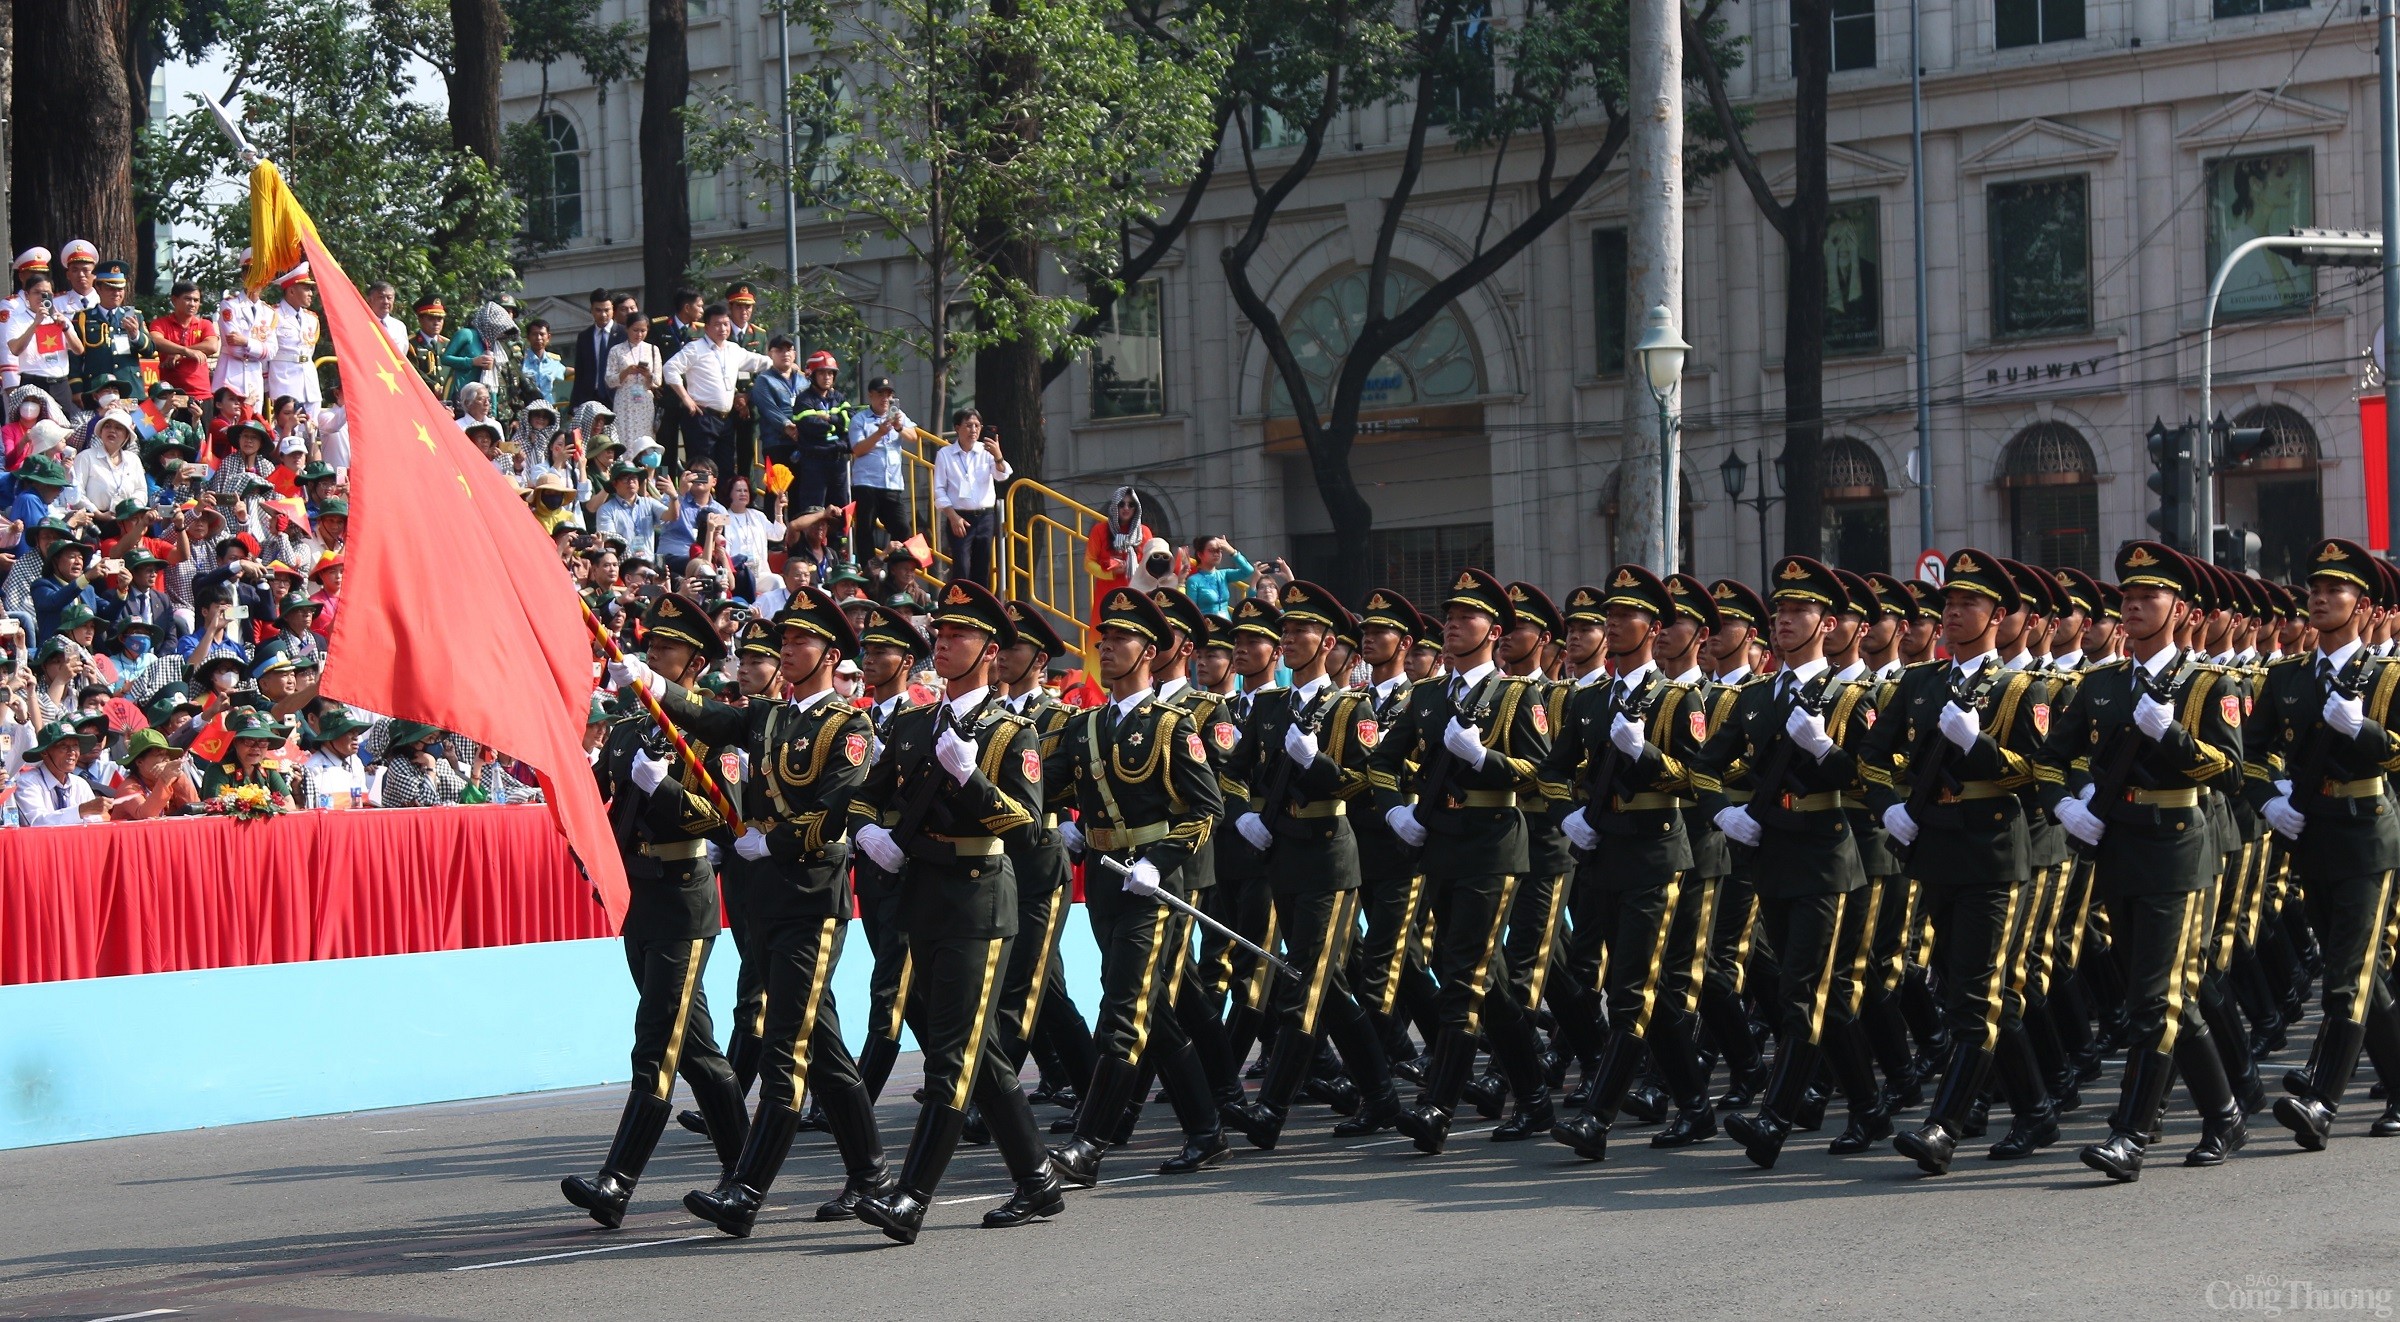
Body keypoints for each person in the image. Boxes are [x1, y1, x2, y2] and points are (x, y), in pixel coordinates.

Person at [627, 590, 890, 1238]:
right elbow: (711, 717)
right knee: (822, 1047)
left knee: (786, 1046)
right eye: (786, 640)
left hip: (811, 898)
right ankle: (872, 1175)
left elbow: (835, 808)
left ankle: (744, 1190)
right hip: (769, 899)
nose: (789, 650)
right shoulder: (771, 717)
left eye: (801, 641)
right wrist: (654, 682)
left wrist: (770, 840)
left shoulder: (848, 727)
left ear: (830, 654)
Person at [843, 578, 1058, 1243]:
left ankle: (910, 1197)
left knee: (951, 1056)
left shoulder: (1011, 731)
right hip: (919, 895)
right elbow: (863, 797)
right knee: (975, 1050)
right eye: (941, 631)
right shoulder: (912, 722)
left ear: (990, 650)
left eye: (960, 633)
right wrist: (868, 833)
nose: (944, 641)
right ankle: (1037, 1178)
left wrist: (973, 778)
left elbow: (1025, 831)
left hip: (978, 898)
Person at [2040, 541, 2246, 1182]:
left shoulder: (2211, 684)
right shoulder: (2100, 686)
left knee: (2153, 1000)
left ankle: (2130, 1134)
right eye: (2126, 596)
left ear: (2177, 608)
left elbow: (2231, 770)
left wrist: (2174, 736)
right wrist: (2064, 806)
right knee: (2158, 998)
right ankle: (2225, 1112)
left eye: (2147, 595)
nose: (2131, 605)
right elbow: (2053, 759)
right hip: (2117, 844)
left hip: (2179, 846)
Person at [562, 592, 750, 1228]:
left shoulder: (712, 727)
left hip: (683, 893)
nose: (652, 653)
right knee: (696, 1049)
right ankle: (744, 1170)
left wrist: (662, 786)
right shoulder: (624, 729)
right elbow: (610, 811)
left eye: (668, 648)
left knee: (657, 1041)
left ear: (695, 663)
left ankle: (617, 1181)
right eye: (654, 643)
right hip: (640, 895)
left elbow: (726, 819)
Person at [1043, 586, 1227, 1185]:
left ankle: (1089, 1142)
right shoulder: (1086, 725)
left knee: (1122, 1010)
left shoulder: (1174, 726)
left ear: (1151, 649)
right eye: (1105, 639)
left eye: (1122, 639)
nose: (1109, 647)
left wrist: (1159, 861)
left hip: (1151, 888)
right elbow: (1053, 789)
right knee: (1156, 1010)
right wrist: (1071, 828)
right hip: (1102, 882)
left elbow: (1206, 810)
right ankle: (1206, 1128)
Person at [1365, 569, 1552, 1154]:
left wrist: (1485, 758)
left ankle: (1437, 1105)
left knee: (1463, 974)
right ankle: (1536, 1095)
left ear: (1493, 631)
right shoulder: (1427, 695)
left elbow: (1542, 774)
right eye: (1447, 616)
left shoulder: (1520, 695)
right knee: (1481, 978)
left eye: (1465, 617)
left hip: (1494, 844)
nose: (1449, 625)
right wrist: (1396, 811)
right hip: (1439, 843)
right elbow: (1380, 765)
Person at [1537, 568, 1716, 1161]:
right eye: (1608, 615)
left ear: (1655, 627)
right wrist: (1570, 817)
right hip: (1601, 852)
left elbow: (1696, 779)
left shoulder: (1678, 699)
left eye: (1627, 615)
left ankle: (1598, 1117)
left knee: (1630, 989)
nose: (1613, 624)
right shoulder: (1588, 700)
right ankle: (1695, 1105)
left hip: (1656, 854)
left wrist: (1646, 753)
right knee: (1651, 993)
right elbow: (1554, 772)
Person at [1219, 580, 1404, 1149]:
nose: (1291, 638)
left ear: (1328, 642)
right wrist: (1245, 814)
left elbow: (1364, 782)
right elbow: (1234, 769)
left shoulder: (1352, 706)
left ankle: (1269, 1111)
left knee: (1302, 982)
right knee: (1333, 985)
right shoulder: (1271, 706)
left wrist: (1315, 762)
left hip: (1328, 855)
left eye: (1302, 630)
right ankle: (1380, 1096)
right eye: (1288, 629)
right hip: (1281, 855)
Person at [2238, 538, 2400, 1151]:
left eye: (2337, 590)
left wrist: (2364, 729)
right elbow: (2251, 755)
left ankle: (2321, 1099)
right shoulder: (2286, 677)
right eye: (2316, 589)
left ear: (2363, 606)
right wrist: (2271, 799)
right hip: (2311, 831)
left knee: (2347, 972)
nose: (2323, 598)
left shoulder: (2388, 675)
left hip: (2368, 832)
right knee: (2368, 976)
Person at [663, 303, 771, 483]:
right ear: (706, 328)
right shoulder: (695, 348)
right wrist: (686, 399)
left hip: (725, 419)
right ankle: (698, 510)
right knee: (701, 470)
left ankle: (723, 509)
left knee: (726, 469)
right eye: (717, 324)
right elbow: (669, 369)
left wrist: (786, 363)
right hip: (701, 417)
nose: (723, 329)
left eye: (726, 324)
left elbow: (760, 362)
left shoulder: (733, 349)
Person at [933, 407, 1010, 588]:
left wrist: (998, 457)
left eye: (977, 425)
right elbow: (939, 490)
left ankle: (981, 611)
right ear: (957, 428)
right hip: (960, 517)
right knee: (962, 566)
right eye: (968, 425)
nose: (973, 430)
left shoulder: (987, 451)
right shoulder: (945, 454)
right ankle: (961, 608)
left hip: (985, 517)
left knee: (982, 567)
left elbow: (1002, 476)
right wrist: (953, 517)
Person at [844, 377, 917, 552]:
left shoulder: (899, 416)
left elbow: (913, 438)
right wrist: (879, 433)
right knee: (866, 530)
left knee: (902, 529)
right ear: (871, 396)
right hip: (866, 483)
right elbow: (858, 449)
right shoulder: (860, 420)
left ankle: (894, 568)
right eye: (880, 394)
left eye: (889, 394)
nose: (885, 399)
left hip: (891, 483)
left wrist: (899, 428)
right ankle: (870, 573)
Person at [787, 350, 852, 516]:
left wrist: (829, 419)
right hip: (814, 462)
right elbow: (811, 426)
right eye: (822, 372)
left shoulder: (839, 397)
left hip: (838, 461)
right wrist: (837, 425)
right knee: (813, 510)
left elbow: (849, 422)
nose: (827, 377)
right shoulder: (804, 400)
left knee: (840, 510)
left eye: (830, 373)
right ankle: (813, 542)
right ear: (812, 375)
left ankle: (838, 541)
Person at [12, 720, 104, 823]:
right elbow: (37, 822)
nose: (72, 752)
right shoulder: (27, 782)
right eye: (63, 746)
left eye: (75, 746)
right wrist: (80, 811)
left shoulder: (80, 784)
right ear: (44, 752)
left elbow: (94, 823)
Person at [1084, 487, 1147, 633]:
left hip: (1136, 595)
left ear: (1136, 508)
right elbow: (1089, 563)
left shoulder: (1144, 532)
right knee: (1104, 640)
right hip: (1107, 596)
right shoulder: (1099, 530)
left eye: (1131, 505)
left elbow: (1148, 565)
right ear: (1114, 506)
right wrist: (1111, 573)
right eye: (1121, 504)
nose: (1126, 508)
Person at [148, 281, 219, 401]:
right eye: (188, 299)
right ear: (174, 300)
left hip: (201, 395)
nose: (192, 304)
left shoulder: (204, 324)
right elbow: (155, 340)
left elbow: (212, 346)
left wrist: (179, 354)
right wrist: (185, 351)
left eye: (196, 300)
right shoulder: (160, 323)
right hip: (170, 396)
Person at [109, 727, 199, 820]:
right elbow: (146, 816)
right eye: (159, 754)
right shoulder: (128, 787)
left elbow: (196, 810)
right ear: (140, 762)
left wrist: (179, 776)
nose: (166, 760)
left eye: (166, 754)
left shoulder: (174, 779)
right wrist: (164, 779)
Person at [264, 268, 321, 411]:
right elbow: (266, 354)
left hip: (309, 381)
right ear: (291, 291)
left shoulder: (311, 319)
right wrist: (266, 385)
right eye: (306, 289)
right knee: (288, 429)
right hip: (284, 380)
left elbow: (309, 351)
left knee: (312, 427)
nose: (310, 293)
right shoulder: (273, 315)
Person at [606, 312, 663, 451]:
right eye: (635, 330)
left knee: (646, 439)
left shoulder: (653, 349)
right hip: (624, 401)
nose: (639, 334)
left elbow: (658, 381)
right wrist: (626, 372)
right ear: (627, 329)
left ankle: (646, 467)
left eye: (643, 331)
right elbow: (609, 380)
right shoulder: (616, 350)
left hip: (645, 400)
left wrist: (648, 374)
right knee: (625, 435)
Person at [570, 289, 622, 410]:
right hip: (591, 396)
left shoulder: (623, 334)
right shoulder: (584, 337)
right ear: (591, 310)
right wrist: (575, 404)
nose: (603, 314)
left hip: (617, 396)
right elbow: (580, 373)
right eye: (598, 310)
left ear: (613, 309)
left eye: (607, 310)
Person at [1182, 535, 1256, 617]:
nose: (1216, 554)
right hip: (1207, 625)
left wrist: (1231, 551)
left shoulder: (1223, 574)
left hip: (1226, 624)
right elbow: (1192, 611)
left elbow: (1248, 570)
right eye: (1212, 550)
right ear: (1200, 554)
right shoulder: (1193, 580)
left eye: (1219, 551)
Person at [519, 318, 567, 406]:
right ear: (528, 337)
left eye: (542, 334)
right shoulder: (520, 360)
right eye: (534, 334)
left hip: (549, 408)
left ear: (548, 337)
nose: (538, 338)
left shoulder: (553, 362)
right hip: (528, 409)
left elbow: (565, 371)